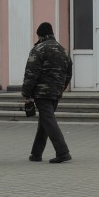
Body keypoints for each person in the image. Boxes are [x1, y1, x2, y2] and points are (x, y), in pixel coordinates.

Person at [22, 21, 73, 164]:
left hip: (42, 92)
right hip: (56, 91)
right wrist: (61, 87)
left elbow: (31, 73)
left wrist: (26, 93)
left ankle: (63, 152)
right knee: (45, 120)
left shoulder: (38, 49)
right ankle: (36, 153)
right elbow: (69, 73)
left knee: (49, 120)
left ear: (40, 35)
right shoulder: (63, 50)